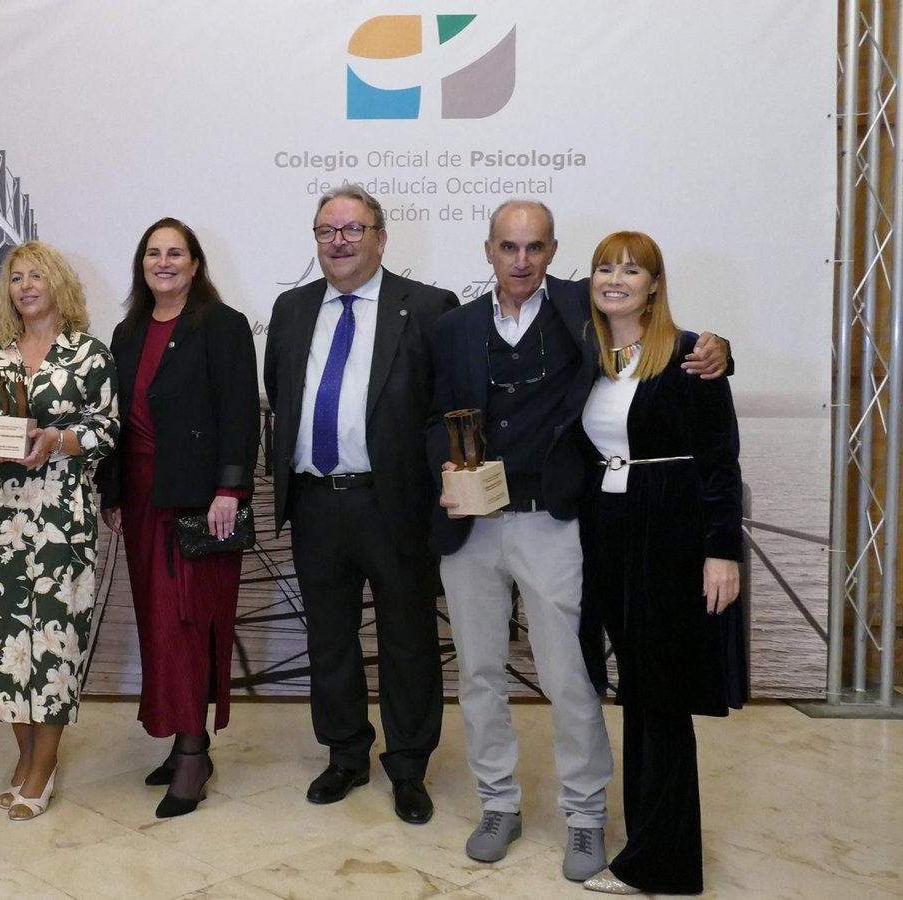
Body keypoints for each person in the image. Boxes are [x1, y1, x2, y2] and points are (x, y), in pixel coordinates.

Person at [426, 200, 730, 881]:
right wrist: (443, 468)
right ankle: (498, 805)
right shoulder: (453, 327)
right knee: (478, 674)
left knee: (569, 675)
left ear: (553, 251)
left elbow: (660, 335)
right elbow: (430, 415)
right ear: (488, 250)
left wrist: (718, 349)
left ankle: (585, 814)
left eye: (534, 247)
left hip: (552, 522)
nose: (521, 260)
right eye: (508, 247)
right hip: (471, 527)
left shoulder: (583, 309)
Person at [262, 186, 453, 823]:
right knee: (330, 639)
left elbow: (443, 407)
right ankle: (345, 754)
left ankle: (408, 766)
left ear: (380, 237)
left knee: (408, 639)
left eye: (352, 229)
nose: (338, 241)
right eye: (326, 231)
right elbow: (281, 394)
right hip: (316, 500)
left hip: (393, 502)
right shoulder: (291, 309)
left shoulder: (427, 307)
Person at [575, 232, 744, 896]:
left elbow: (721, 461)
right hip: (609, 532)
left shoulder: (690, 354)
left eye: (631, 269)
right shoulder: (589, 355)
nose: (615, 279)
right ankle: (647, 842)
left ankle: (662, 864)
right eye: (604, 267)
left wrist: (721, 551)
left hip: (671, 535)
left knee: (662, 696)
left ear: (653, 284)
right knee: (638, 691)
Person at [98, 218, 259, 818]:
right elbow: (116, 421)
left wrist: (230, 490)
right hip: (143, 499)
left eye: (175, 253)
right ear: (142, 265)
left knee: (191, 623)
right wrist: (112, 492)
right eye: (153, 253)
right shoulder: (128, 330)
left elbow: (240, 412)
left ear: (195, 264)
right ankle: (182, 738)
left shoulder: (222, 324)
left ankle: (193, 753)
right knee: (159, 625)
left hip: (198, 502)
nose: (163, 263)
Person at [0, 241, 119, 820]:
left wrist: (56, 440)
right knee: (3, 642)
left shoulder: (89, 355)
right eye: (16, 277)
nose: (25, 285)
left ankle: (44, 763)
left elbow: (107, 429)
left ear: (58, 284)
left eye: (36, 275)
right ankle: (27, 756)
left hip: (60, 516)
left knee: (55, 641)